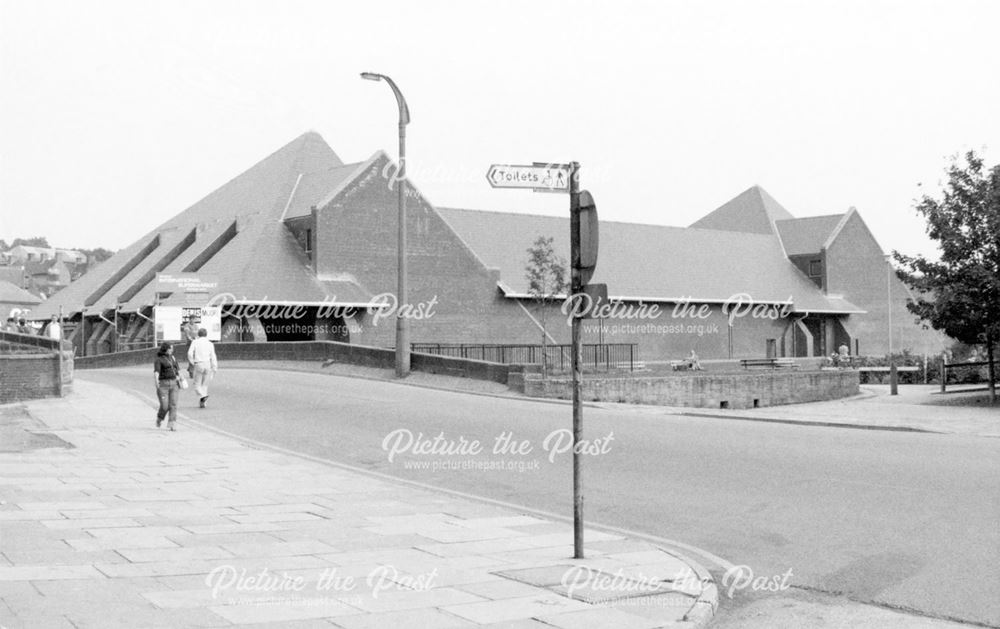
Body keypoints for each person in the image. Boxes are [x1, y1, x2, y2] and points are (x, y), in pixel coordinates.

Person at [153, 342, 181, 430]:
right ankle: (159, 418)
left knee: (173, 404)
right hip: (163, 385)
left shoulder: (173, 358)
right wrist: (157, 382)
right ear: (166, 349)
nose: (172, 350)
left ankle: (172, 423)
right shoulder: (159, 360)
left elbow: (177, 369)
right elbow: (156, 372)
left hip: (174, 383)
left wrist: (181, 377)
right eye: (171, 348)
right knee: (165, 406)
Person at [187, 328, 218, 408]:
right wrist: (214, 367)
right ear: (206, 334)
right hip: (207, 364)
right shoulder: (210, 344)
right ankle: (203, 403)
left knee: (197, 385)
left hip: (199, 363)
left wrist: (192, 362)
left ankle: (202, 396)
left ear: (198, 334)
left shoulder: (195, 342)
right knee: (205, 385)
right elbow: (213, 356)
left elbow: (190, 353)